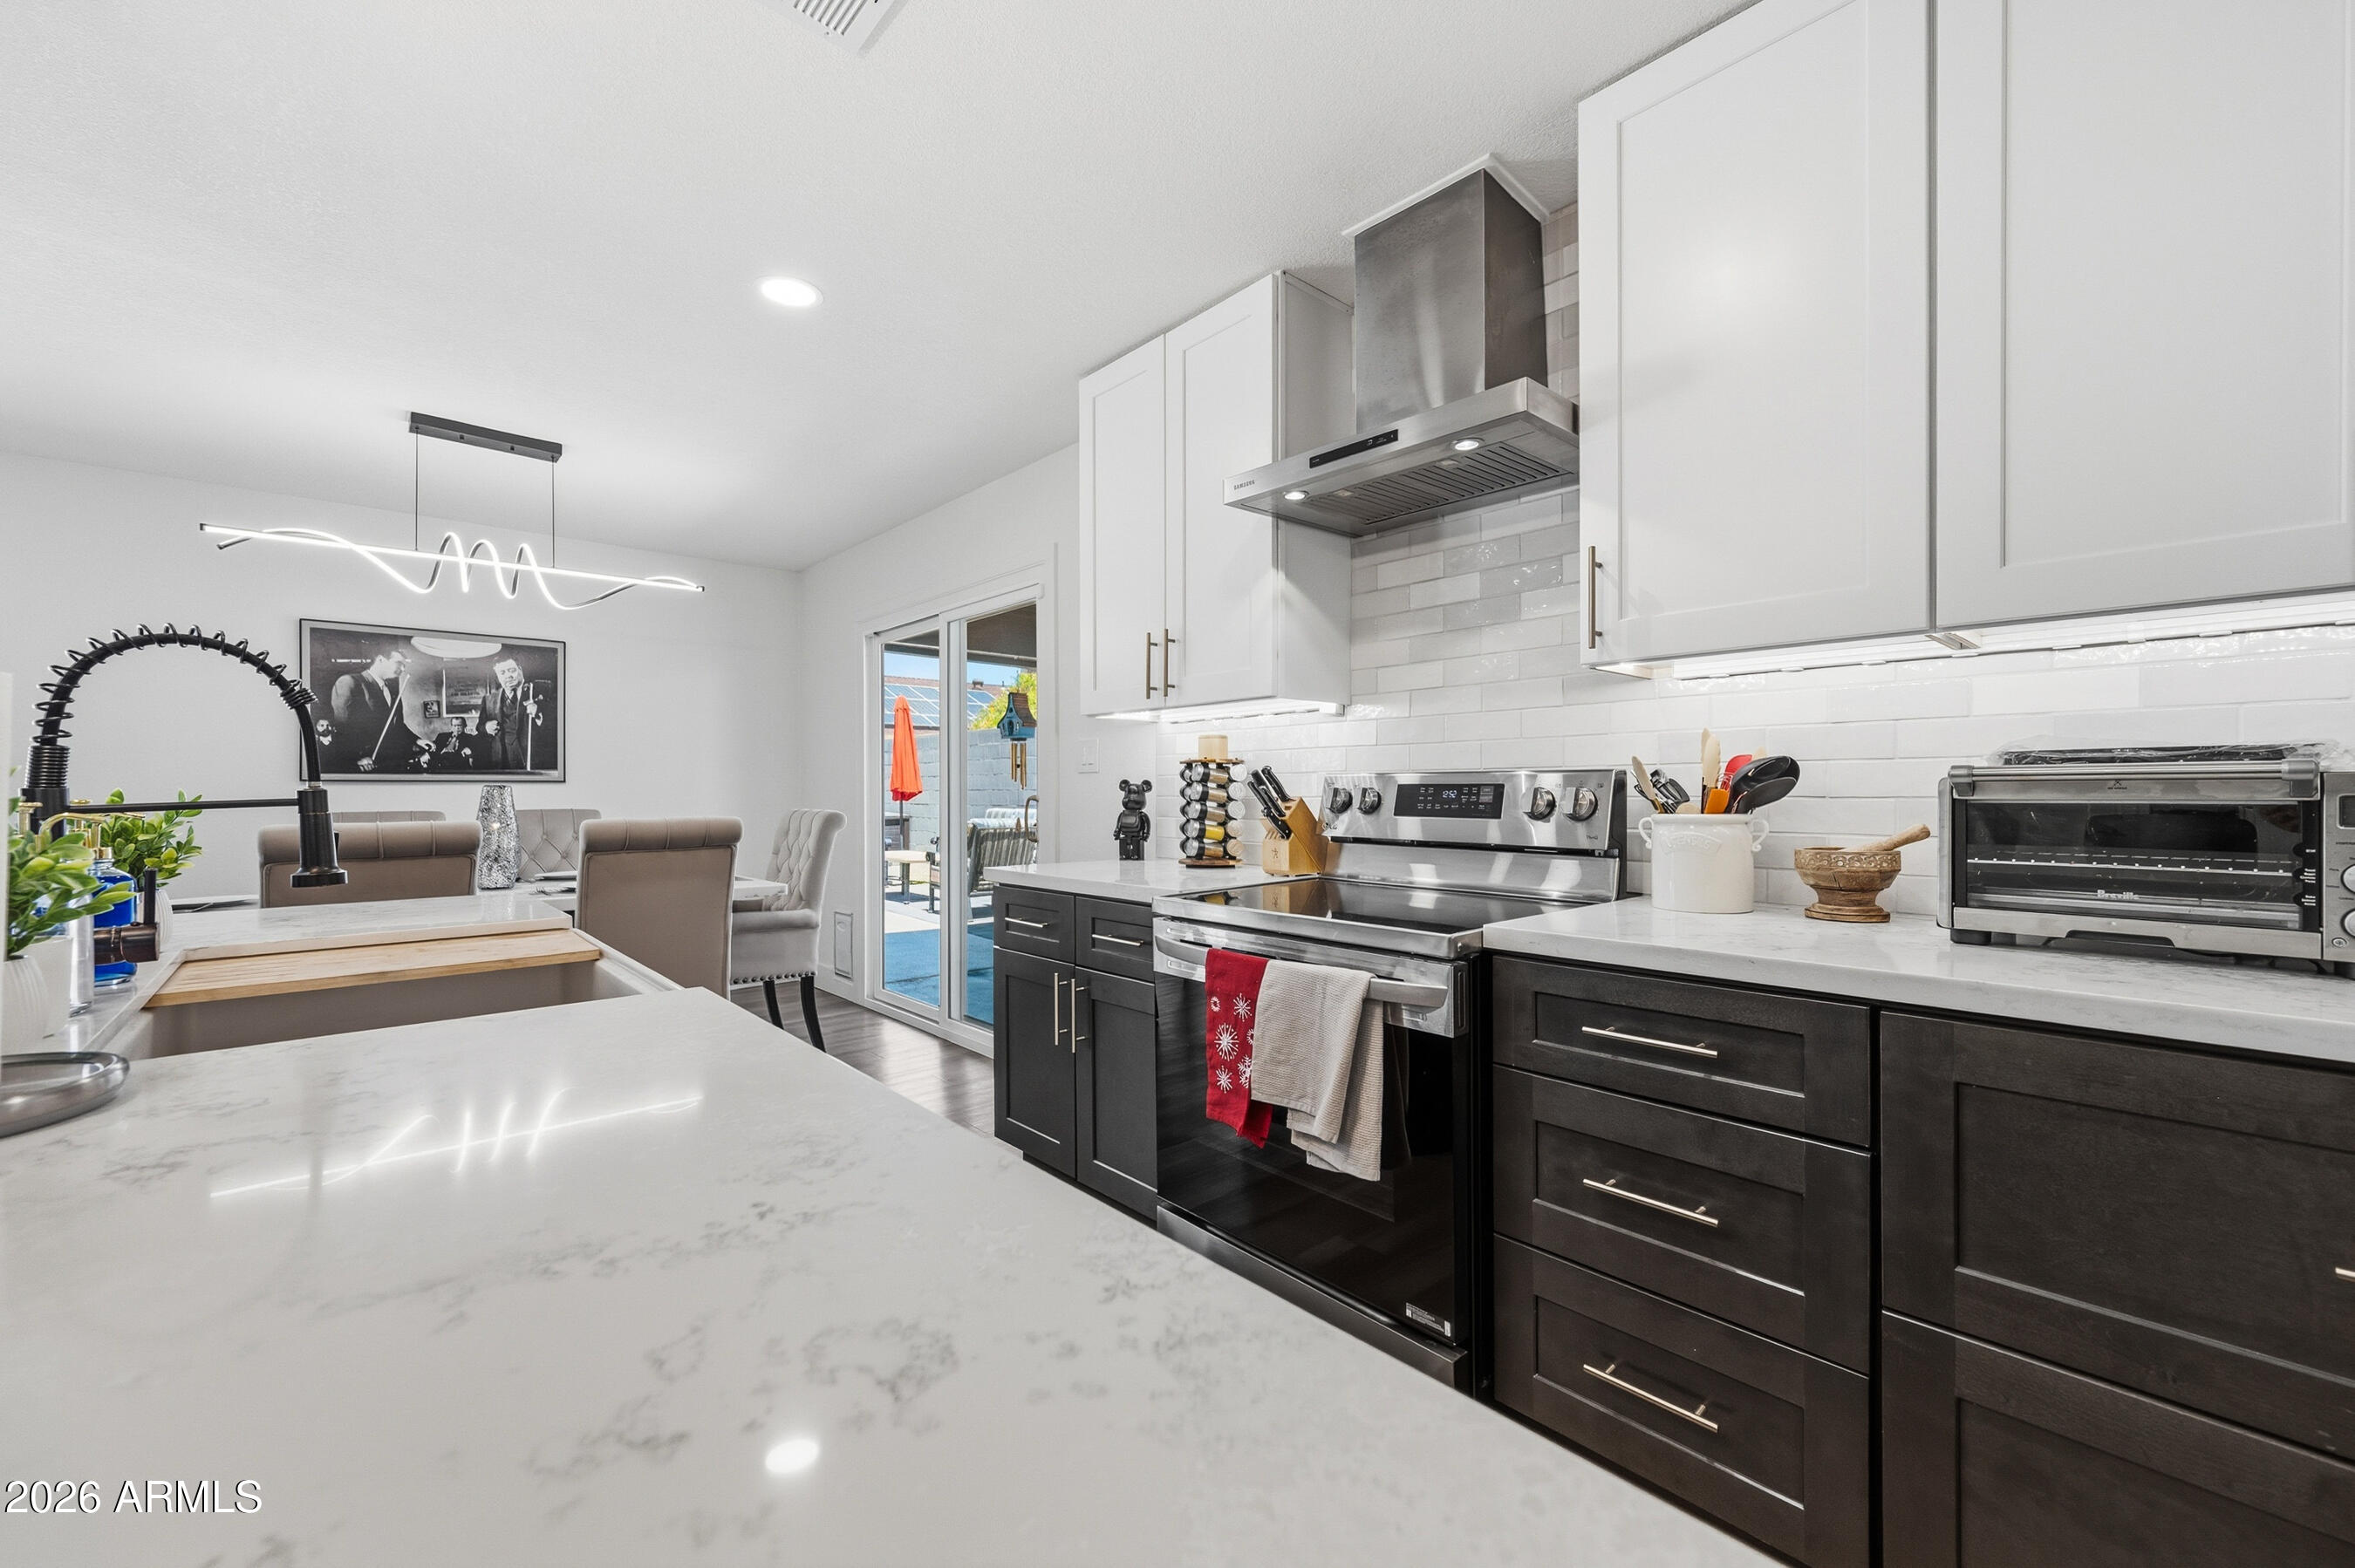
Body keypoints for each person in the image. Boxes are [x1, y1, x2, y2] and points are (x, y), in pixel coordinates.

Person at [326, 648, 424, 773]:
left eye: (404, 665)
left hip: (393, 763)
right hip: (365, 765)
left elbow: (396, 725)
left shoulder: (392, 691)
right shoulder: (350, 682)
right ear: (380, 659)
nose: (403, 669)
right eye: (399, 663)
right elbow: (343, 728)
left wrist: (417, 740)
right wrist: (358, 757)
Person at [481, 656, 543, 773]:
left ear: (520, 670)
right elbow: (480, 727)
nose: (508, 676)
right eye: (502, 673)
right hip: (501, 758)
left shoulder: (541, 690)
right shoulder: (489, 699)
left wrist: (538, 712)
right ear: (498, 676)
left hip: (532, 758)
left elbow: (559, 723)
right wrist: (486, 727)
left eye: (511, 670)